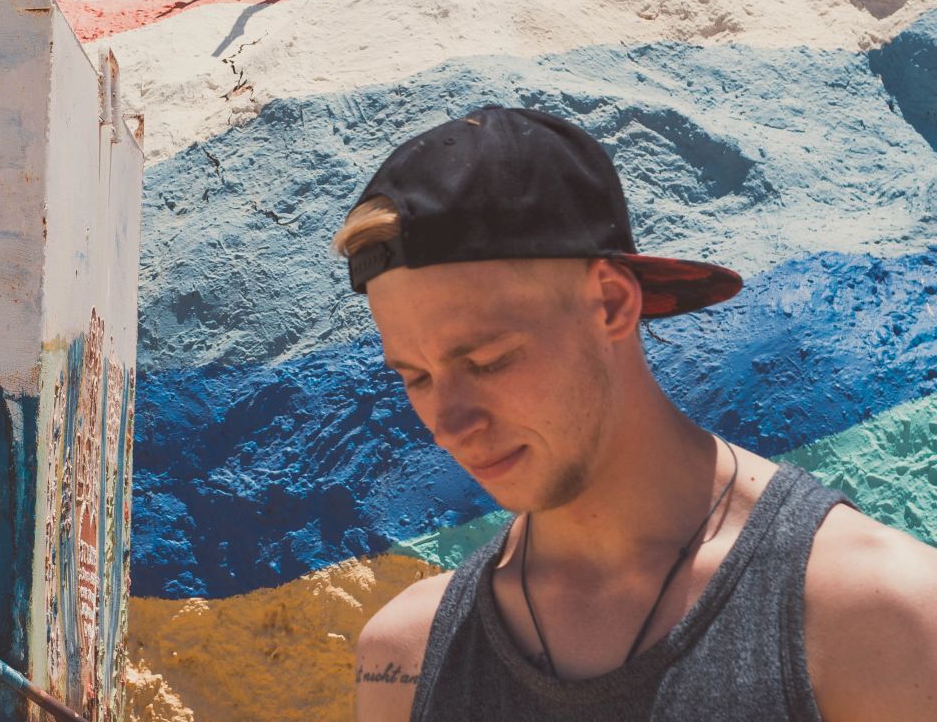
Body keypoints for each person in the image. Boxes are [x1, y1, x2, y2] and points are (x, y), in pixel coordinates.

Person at [341, 107, 937, 722]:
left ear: (611, 302)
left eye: (488, 360)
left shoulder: (880, 615)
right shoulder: (407, 659)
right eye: (414, 376)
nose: (449, 423)